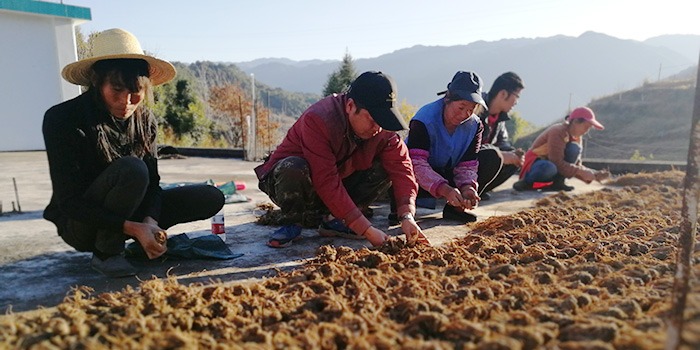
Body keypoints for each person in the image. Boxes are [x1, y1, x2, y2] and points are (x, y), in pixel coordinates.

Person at [42, 28, 225, 277]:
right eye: (117, 90)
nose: (126, 101)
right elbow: (70, 203)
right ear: (97, 81)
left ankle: (143, 242)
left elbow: (153, 184)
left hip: (130, 212)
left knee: (210, 196)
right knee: (132, 169)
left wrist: (149, 223)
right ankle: (107, 253)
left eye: (135, 92)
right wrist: (132, 228)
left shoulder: (146, 120)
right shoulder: (62, 119)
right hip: (82, 224)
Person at [254, 71, 427, 248]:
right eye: (372, 119)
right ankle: (293, 220)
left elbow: (402, 169)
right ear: (350, 106)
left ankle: (335, 219)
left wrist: (407, 215)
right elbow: (325, 179)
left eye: (382, 120)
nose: (378, 127)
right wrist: (366, 229)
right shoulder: (319, 119)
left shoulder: (383, 131)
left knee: (385, 168)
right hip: (291, 183)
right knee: (294, 167)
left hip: (339, 179)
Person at [395, 71, 498, 224]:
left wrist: (467, 187)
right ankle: (399, 208)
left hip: (448, 173)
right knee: (396, 169)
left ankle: (457, 208)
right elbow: (417, 164)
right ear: (448, 99)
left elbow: (467, 164)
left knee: (492, 157)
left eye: (471, 109)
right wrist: (445, 189)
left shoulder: (475, 125)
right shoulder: (424, 119)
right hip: (416, 179)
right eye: (461, 107)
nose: (465, 114)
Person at [513, 106, 609, 191]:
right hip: (536, 164)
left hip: (553, 165)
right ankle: (526, 182)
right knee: (550, 167)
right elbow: (556, 162)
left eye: (589, 128)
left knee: (574, 149)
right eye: (586, 127)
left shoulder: (577, 138)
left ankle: (558, 182)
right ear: (575, 122)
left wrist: (594, 175)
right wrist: (581, 172)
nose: (586, 131)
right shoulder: (557, 131)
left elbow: (576, 164)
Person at [477, 72, 525, 199]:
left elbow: (503, 144)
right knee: (494, 156)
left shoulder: (499, 119)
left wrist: (514, 155)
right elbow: (465, 150)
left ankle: (479, 190)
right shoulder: (475, 108)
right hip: (464, 164)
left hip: (482, 161)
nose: (516, 102)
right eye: (517, 96)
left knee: (513, 159)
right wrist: (503, 156)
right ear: (503, 94)